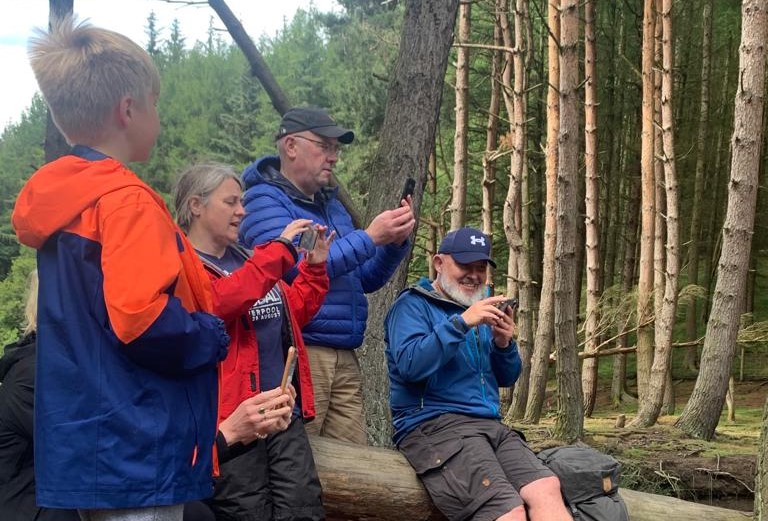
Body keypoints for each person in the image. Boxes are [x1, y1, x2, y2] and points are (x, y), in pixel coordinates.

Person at [11, 17, 233, 521]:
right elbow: (141, 318)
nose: (158, 114)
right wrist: (208, 335)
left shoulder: (64, 201)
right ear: (128, 109)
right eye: (155, 103)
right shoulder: (127, 202)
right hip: (138, 444)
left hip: (91, 446)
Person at [239, 106, 416, 444]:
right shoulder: (262, 200)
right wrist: (370, 237)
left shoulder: (330, 207)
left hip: (344, 353)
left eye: (337, 149)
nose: (334, 157)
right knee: (304, 457)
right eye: (325, 146)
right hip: (300, 350)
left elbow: (365, 278)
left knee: (353, 467)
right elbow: (296, 267)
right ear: (291, 146)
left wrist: (393, 243)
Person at [175, 162, 330, 521]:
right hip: (230, 421)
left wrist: (315, 267)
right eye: (231, 202)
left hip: (279, 414)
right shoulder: (182, 266)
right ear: (196, 205)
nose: (242, 211)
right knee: (246, 512)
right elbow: (219, 305)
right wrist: (279, 251)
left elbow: (292, 312)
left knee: (304, 509)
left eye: (242, 202)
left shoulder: (246, 259)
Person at [384, 227, 573, 521]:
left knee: (547, 487)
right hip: (433, 425)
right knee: (507, 511)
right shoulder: (412, 305)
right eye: (465, 266)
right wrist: (461, 324)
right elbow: (411, 365)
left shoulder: (480, 310)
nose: (474, 275)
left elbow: (506, 378)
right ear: (438, 263)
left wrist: (503, 345)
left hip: (490, 425)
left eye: (481, 267)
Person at [0, 270, 79, 521]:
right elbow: (82, 445)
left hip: (58, 500)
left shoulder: (56, 364)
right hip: (29, 506)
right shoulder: (32, 374)